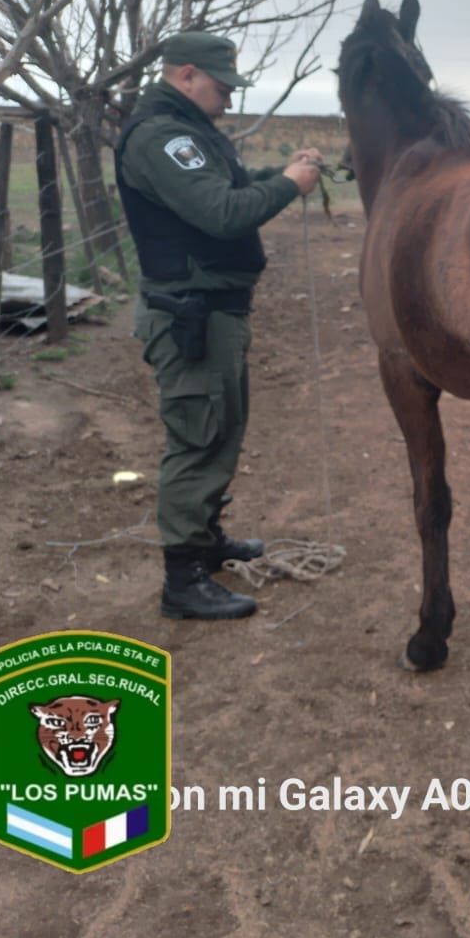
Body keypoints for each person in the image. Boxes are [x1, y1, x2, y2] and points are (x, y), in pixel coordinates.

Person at [114, 32, 322, 621]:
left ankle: (204, 543)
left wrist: (281, 171)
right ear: (185, 76)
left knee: (221, 428)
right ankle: (183, 581)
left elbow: (226, 181)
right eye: (222, 86)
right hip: (191, 313)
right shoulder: (162, 136)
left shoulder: (190, 132)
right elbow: (221, 212)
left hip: (212, 309)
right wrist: (289, 186)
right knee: (198, 439)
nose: (229, 98)